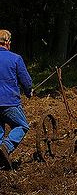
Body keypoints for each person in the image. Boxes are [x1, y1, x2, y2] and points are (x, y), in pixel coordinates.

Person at [0, 29, 32, 170]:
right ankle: (6, 147)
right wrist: (28, 91)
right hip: (9, 102)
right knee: (22, 125)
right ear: (7, 42)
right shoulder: (15, 58)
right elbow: (26, 81)